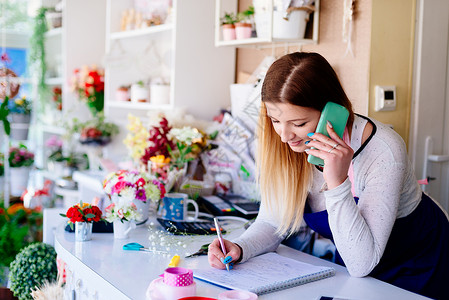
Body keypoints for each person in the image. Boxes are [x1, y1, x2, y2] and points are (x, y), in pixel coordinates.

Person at [208, 52, 449, 299]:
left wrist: (337, 181)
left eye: (299, 124)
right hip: (356, 259)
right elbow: (273, 222)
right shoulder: (287, 142)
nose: (284, 135)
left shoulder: (384, 150)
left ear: (333, 112)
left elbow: (361, 264)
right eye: (275, 120)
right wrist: (240, 247)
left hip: (419, 261)